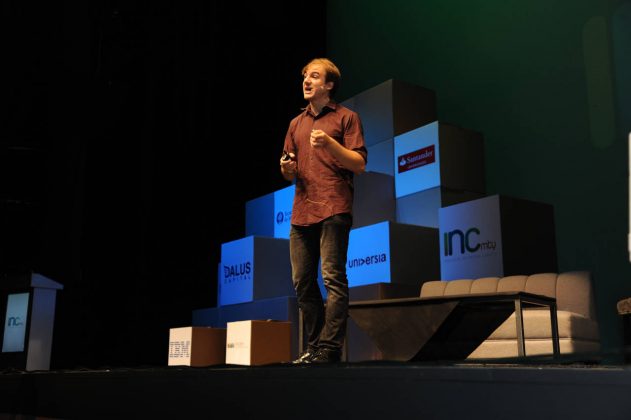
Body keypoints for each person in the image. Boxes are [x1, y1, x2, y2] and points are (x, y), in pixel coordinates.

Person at [279, 58, 367, 364]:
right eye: (305, 76)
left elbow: (359, 163)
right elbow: (289, 172)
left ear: (328, 85)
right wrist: (286, 168)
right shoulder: (295, 124)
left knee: (332, 277)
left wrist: (330, 144)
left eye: (314, 77)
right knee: (302, 282)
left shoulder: (346, 117)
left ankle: (330, 349)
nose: (306, 81)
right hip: (302, 210)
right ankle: (313, 348)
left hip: (333, 206)